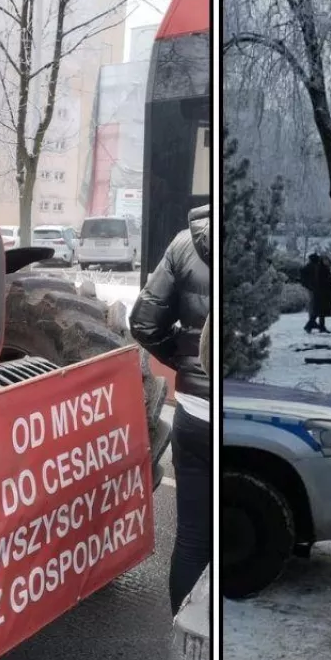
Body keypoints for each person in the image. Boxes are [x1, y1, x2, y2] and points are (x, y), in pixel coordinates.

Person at [129, 204, 212, 614]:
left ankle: (186, 635)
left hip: (195, 413)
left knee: (193, 538)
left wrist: (186, 363)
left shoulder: (185, 243)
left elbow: (144, 324)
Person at [301, 252, 331, 333]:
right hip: (320, 292)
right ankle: (310, 326)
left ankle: (320, 326)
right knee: (318, 311)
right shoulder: (320, 268)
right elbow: (322, 281)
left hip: (321, 292)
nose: (327, 262)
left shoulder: (322, 268)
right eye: (326, 260)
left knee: (320, 311)